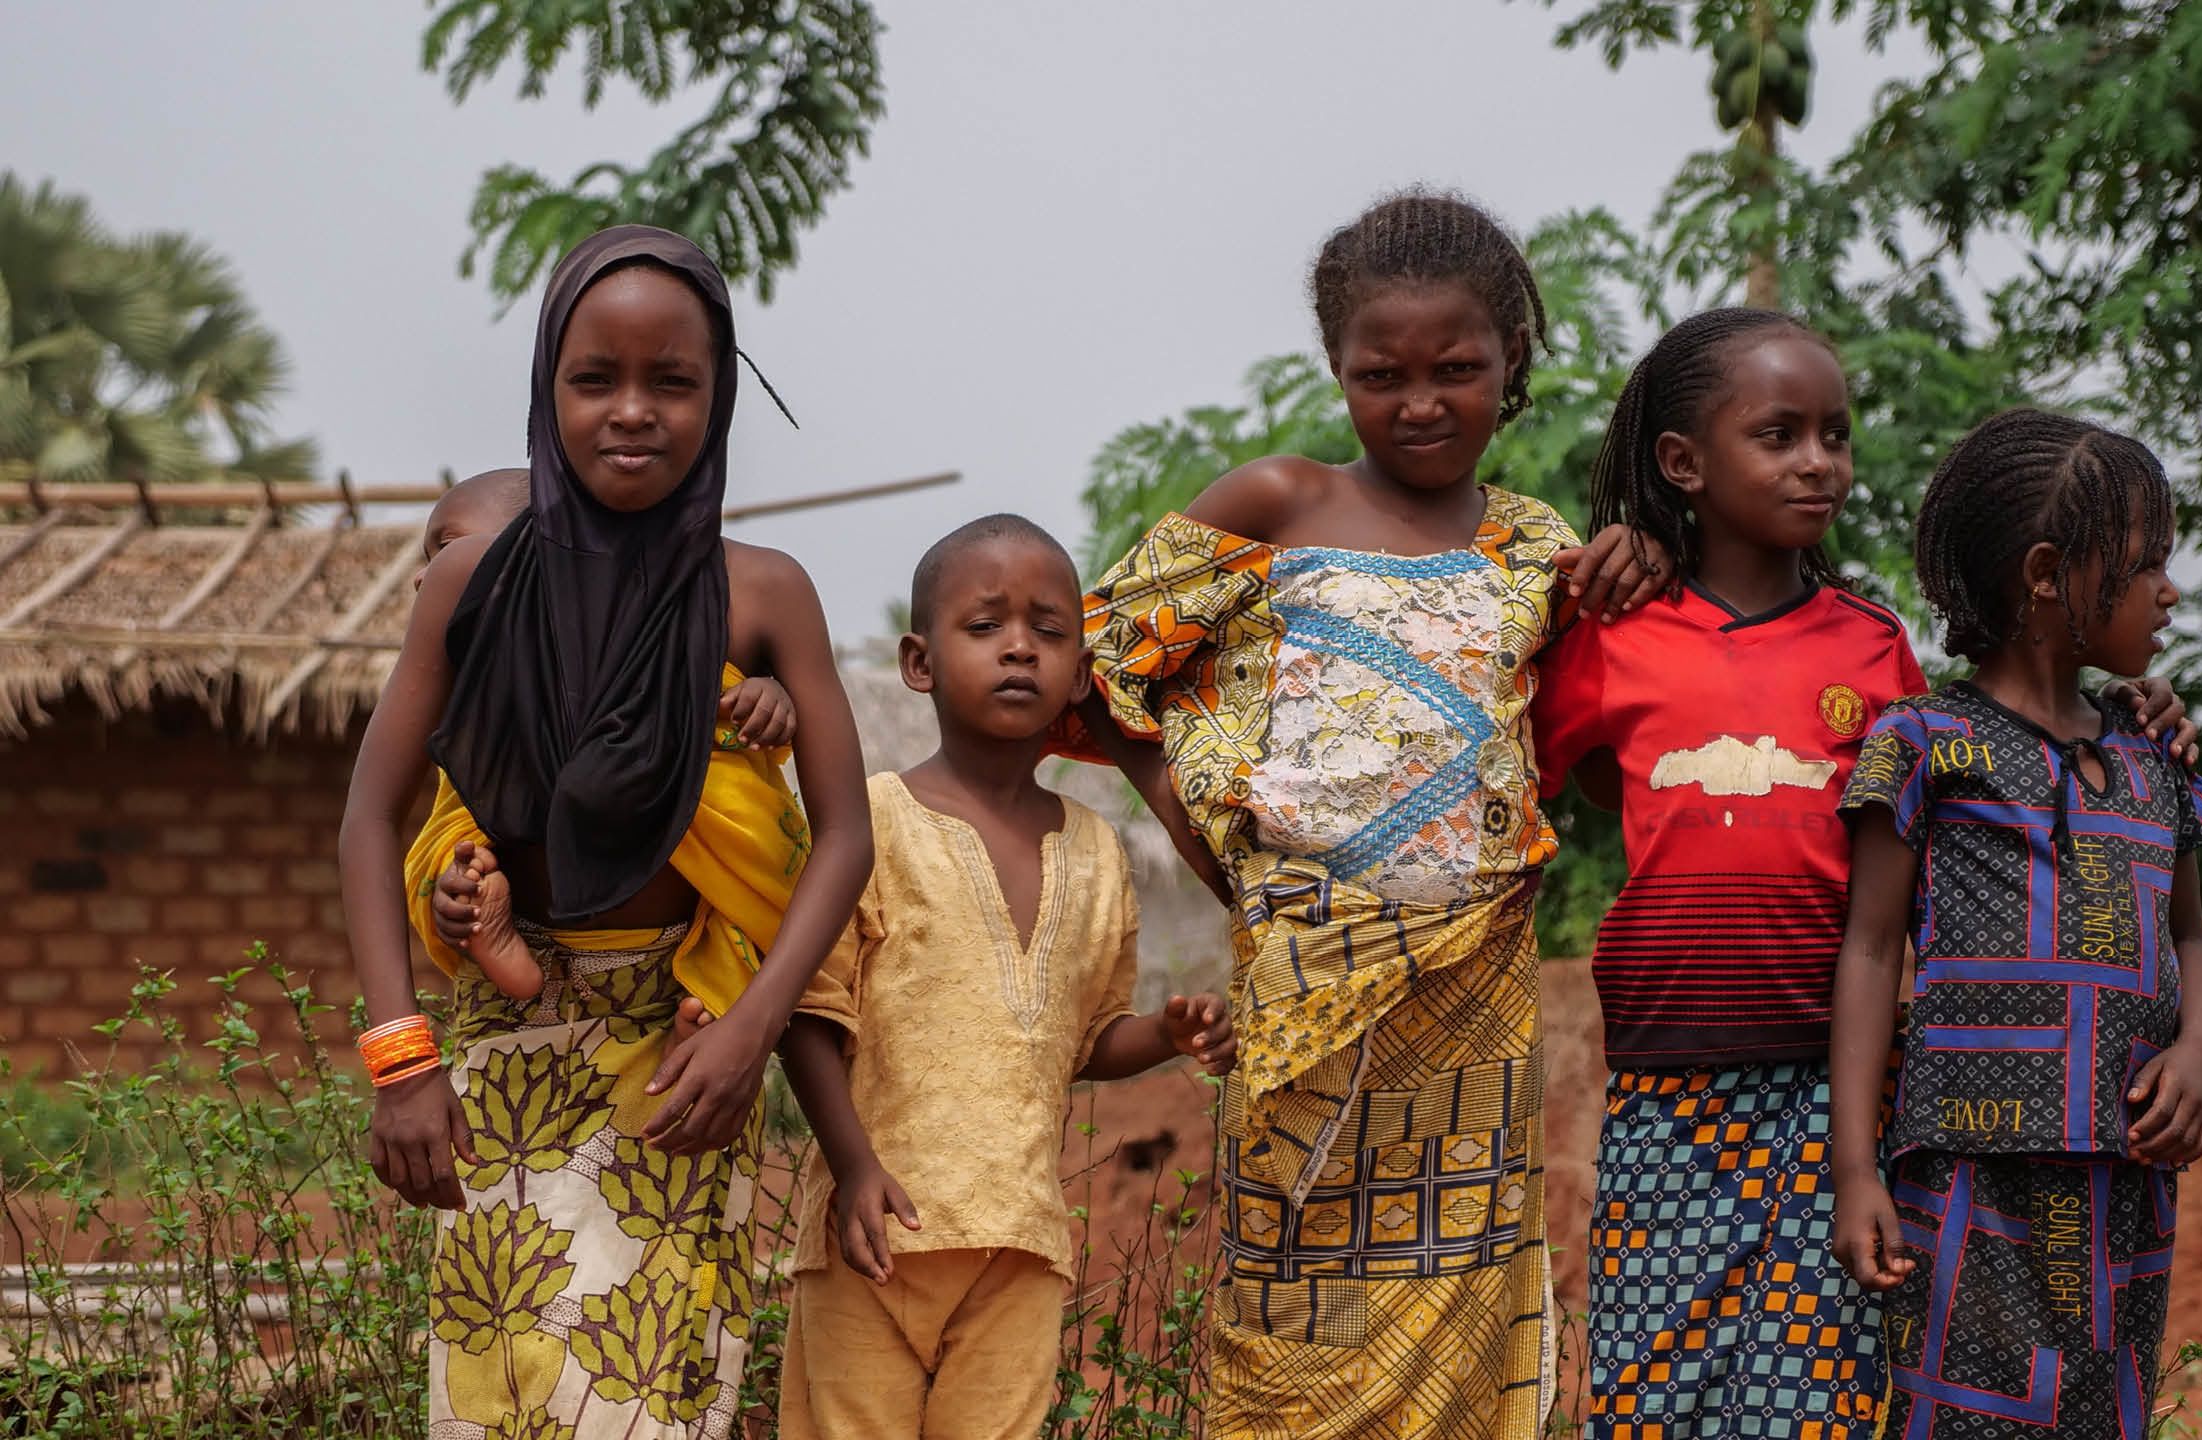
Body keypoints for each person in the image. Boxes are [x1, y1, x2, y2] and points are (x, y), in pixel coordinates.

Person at [1534, 312, 2202, 1440]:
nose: (1817, 462)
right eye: (1779, 435)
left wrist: (2135, 715)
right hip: (1665, 1077)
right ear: (1682, 465)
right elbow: (1562, 784)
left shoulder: (1871, 646)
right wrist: (1588, 585)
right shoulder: (1616, 632)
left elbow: (1969, 771)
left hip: (1837, 1085)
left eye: (1833, 436)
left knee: (1821, 1399)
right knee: (1657, 1395)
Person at [1071, 188, 1670, 1440]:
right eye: (1378, 373)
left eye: (1458, 369)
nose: (1418, 401)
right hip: (1304, 966)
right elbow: (1098, 664)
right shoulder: (1274, 504)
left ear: (1512, 368)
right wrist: (1192, 816)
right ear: (1334, 370)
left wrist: (1638, 569)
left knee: (1459, 1283)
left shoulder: (1533, 544)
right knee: (1293, 1289)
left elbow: (1593, 715)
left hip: (1471, 985)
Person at [338, 225, 872, 1439]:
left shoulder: (766, 591)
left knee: (644, 1403)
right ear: (547, 389)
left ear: (718, 397)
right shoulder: (466, 585)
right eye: (595, 380)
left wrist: (752, 1029)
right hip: (493, 1061)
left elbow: (843, 835)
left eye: (671, 382)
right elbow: (370, 822)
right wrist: (400, 1062)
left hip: (678, 1057)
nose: (632, 413)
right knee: (503, 1403)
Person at [772, 512, 1237, 1440]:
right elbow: (808, 1016)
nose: (1019, 648)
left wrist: (1168, 1036)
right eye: (984, 627)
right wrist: (854, 1167)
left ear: (1080, 671)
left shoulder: (1098, 851)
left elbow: (1087, 1038)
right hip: (873, 1231)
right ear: (919, 662)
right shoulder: (867, 825)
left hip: (1023, 1244)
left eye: (1049, 631)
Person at [1828, 409, 2202, 1440]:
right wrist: (1856, 1172)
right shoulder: (1925, 740)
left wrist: (2198, 1049)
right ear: (2049, 575)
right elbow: (1870, 950)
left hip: (2126, 1172)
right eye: (2145, 566)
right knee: (1961, 1418)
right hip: (1966, 1171)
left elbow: (2190, 936)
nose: (2169, 593)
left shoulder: (2152, 754)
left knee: (2106, 1413)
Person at [415, 466, 801, 1008]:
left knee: (745, 885)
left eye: (448, 548)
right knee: (452, 848)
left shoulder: (672, 628)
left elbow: (725, 716)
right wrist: (450, 893)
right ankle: (475, 906)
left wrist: (772, 695)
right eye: (432, 563)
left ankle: (713, 1001)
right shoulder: (473, 675)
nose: (424, 578)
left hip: (683, 928)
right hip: (529, 904)